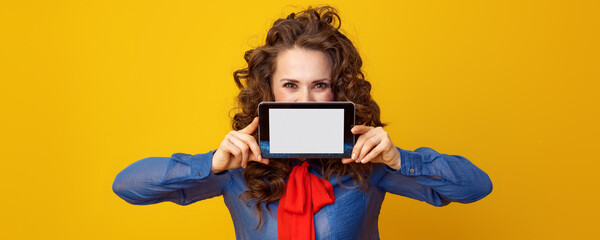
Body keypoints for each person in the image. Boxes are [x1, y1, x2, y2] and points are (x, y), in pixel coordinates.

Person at [112, 5, 493, 240]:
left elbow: (477, 186)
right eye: (290, 85)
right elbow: (127, 186)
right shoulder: (237, 167)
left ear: (337, 91)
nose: (305, 100)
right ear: (270, 90)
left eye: (320, 85)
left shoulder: (367, 165)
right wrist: (208, 163)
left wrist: (400, 159)